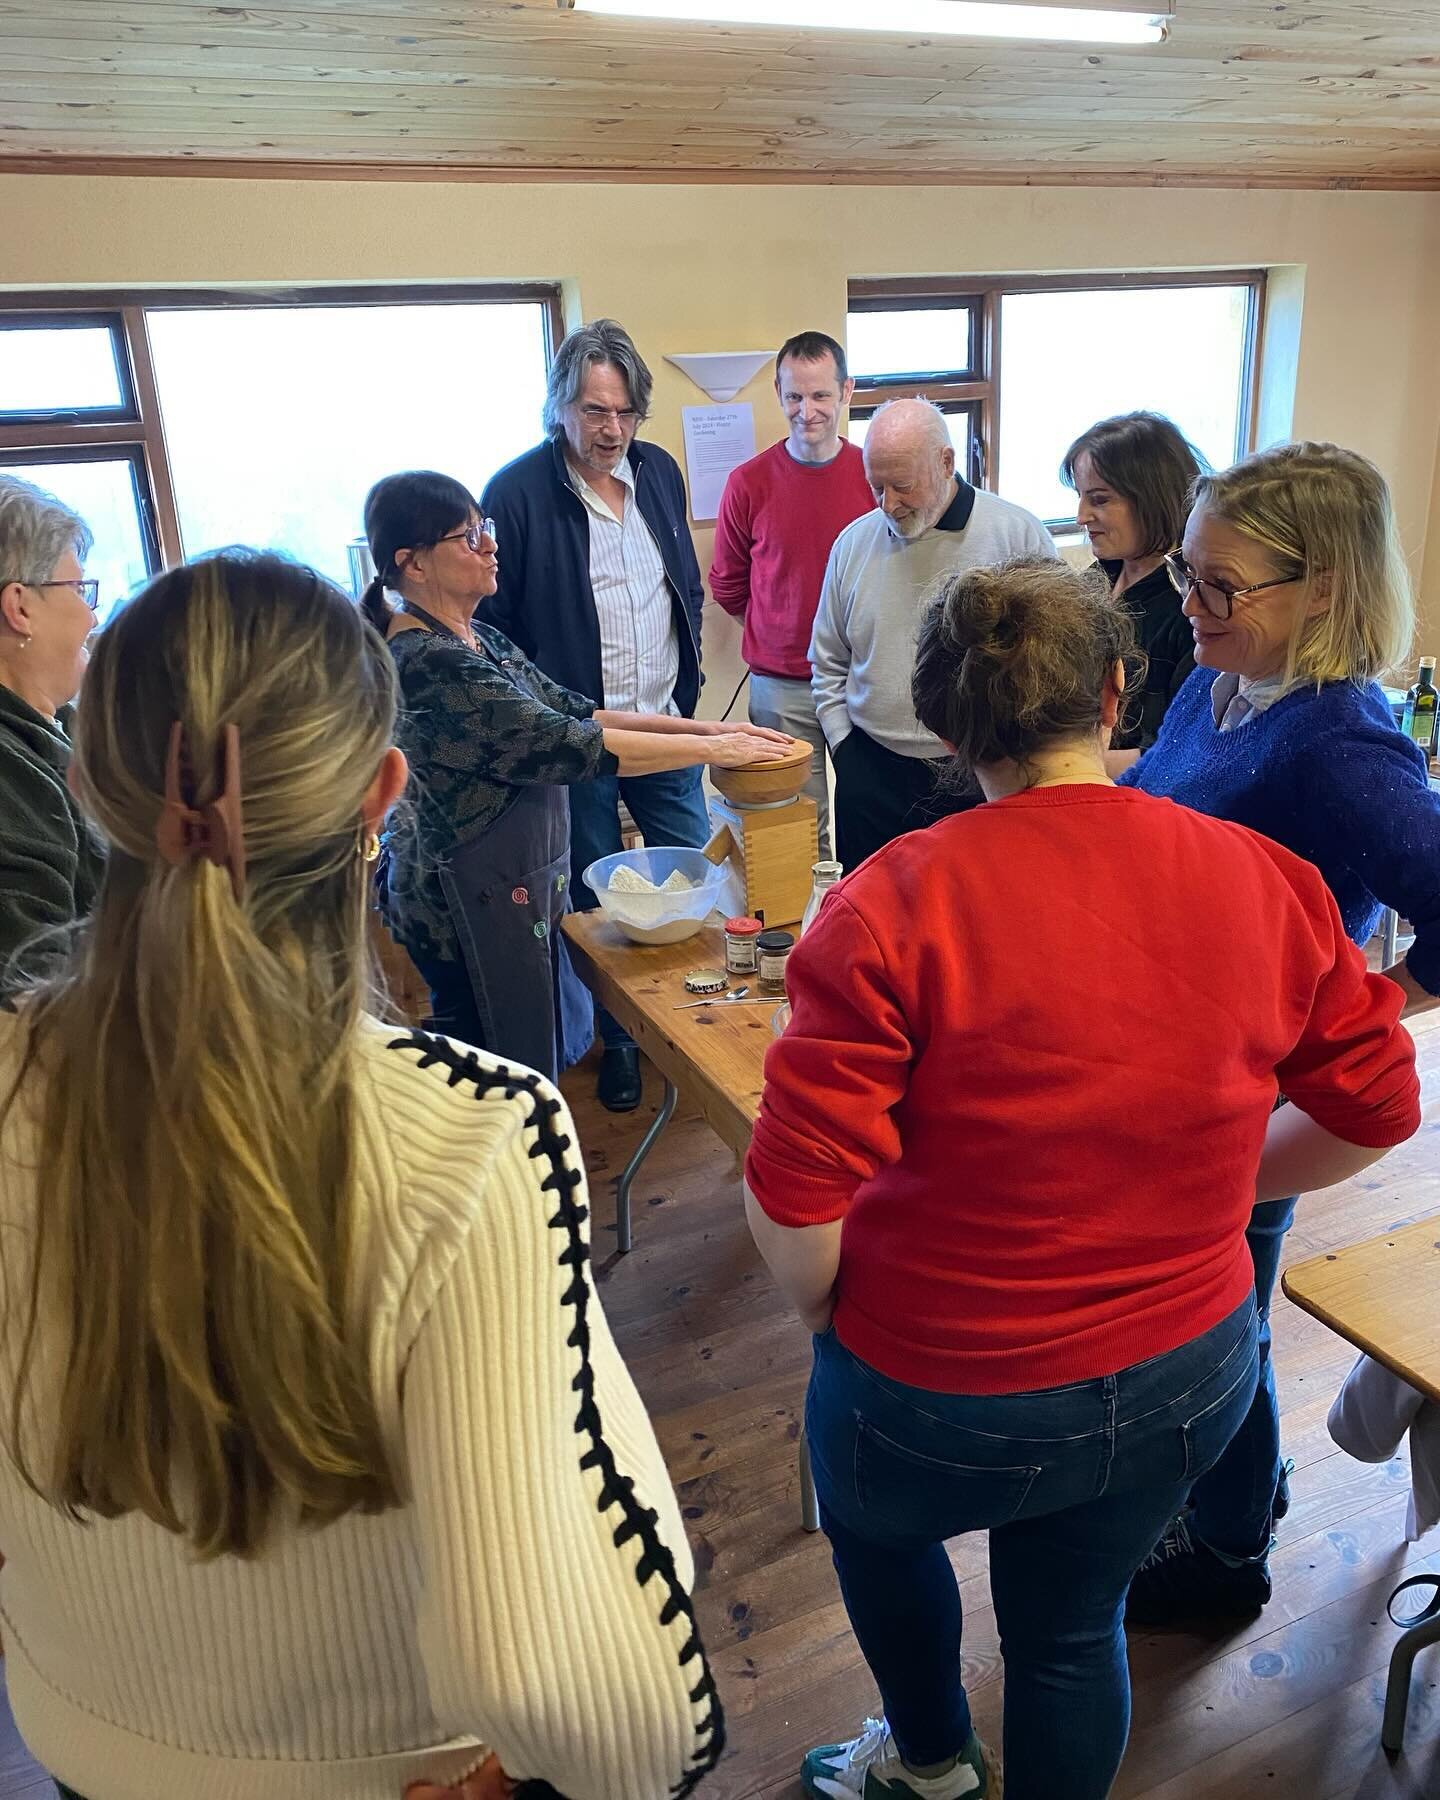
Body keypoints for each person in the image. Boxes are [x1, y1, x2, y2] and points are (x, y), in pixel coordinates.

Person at [0, 549, 724, 1800]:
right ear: (381, 794)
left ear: (84, 780)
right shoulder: (475, 1137)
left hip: (87, 1735)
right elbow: (551, 1669)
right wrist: (647, 1755)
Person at [743, 556, 1420, 1800]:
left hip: (946, 1380)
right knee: (1069, 1631)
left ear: (946, 726)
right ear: (1116, 693)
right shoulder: (1261, 879)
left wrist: (830, 1314)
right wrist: (1233, 1185)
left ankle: (934, 1765)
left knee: (877, 1530)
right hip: (1187, 1370)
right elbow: (1380, 1108)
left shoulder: (891, 903)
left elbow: (795, 1196)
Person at [1116, 440, 1440, 1624]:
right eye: (1186, 575)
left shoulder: (1337, 742)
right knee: (1212, 1297)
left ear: (1323, 592)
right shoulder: (1224, 680)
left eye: (1218, 585)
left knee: (1223, 1315)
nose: (1186, 607)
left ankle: (1230, 1558)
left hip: (1249, 1085)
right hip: (1174, 1055)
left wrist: (1377, 1003)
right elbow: (1164, 785)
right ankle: (1231, 1499)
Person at [360, 471, 787, 1085]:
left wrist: (718, 735)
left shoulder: (477, 639)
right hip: (460, 907)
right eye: (469, 535)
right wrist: (721, 749)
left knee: (526, 1059)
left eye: (486, 530)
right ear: (413, 564)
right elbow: (570, 744)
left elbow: (577, 710)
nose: (490, 546)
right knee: (492, 1079)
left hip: (501, 892)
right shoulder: (428, 665)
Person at [480, 320, 710, 1113]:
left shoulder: (660, 474)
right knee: (595, 898)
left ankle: (692, 1029)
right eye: (593, 411)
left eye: (624, 414)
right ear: (559, 408)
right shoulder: (513, 494)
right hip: (577, 743)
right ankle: (620, 1044)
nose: (611, 430)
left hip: (665, 729)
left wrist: (689, 695)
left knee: (686, 880)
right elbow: (494, 630)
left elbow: (687, 585)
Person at [809, 398, 1056, 870]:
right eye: (875, 486)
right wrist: (845, 749)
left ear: (946, 462)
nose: (888, 504)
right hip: (871, 768)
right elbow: (828, 660)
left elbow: (1049, 660)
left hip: (983, 771)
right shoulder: (852, 544)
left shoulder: (1016, 535)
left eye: (902, 485)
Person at [709, 330, 874, 857]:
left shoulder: (875, 476)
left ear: (846, 392)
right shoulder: (748, 482)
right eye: (795, 397)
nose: (808, 411)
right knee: (794, 831)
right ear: (779, 396)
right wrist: (775, 630)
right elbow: (728, 583)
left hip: (863, 679)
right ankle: (807, 935)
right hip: (780, 685)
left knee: (866, 812)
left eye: (821, 395)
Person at [0, 474, 103, 986]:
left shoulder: (55, 729)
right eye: (81, 587)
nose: (91, 613)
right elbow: (30, 983)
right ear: (19, 607)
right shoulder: (8, 769)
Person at [1062, 409, 1206, 749]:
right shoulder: (1095, 580)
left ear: (1151, 498)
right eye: (1080, 497)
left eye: (1099, 500)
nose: (1081, 517)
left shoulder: (1191, 607)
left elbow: (1176, 753)